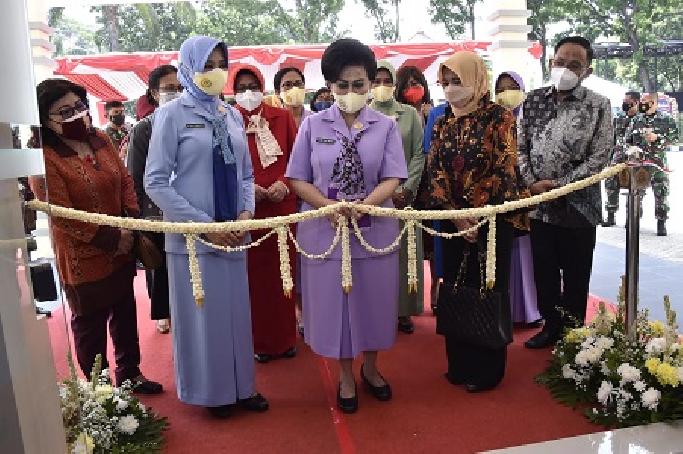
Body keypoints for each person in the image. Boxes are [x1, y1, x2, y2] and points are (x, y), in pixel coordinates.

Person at [144, 36, 268, 418]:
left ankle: (242, 386)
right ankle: (213, 393)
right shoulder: (171, 115)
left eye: (220, 64)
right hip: (193, 241)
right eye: (206, 65)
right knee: (203, 319)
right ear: (188, 68)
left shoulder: (232, 115)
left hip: (234, 233)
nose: (215, 72)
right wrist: (204, 225)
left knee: (236, 314)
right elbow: (155, 182)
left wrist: (245, 214)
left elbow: (246, 175)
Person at [286, 38, 407, 414]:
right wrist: (327, 206)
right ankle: (344, 376)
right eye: (343, 85)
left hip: (374, 231)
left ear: (370, 84)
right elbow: (297, 178)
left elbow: (393, 176)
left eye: (359, 84)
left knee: (373, 302)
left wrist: (365, 205)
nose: (351, 91)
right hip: (325, 233)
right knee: (336, 306)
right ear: (329, 86)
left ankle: (371, 368)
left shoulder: (385, 126)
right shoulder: (312, 126)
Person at [29, 79, 162, 394]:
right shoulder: (43, 157)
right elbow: (62, 214)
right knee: (90, 325)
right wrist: (113, 238)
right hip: (82, 256)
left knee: (125, 313)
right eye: (64, 111)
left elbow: (125, 180)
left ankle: (130, 374)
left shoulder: (100, 139)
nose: (76, 114)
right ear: (45, 119)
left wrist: (130, 224)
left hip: (123, 245)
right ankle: (99, 393)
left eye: (78, 106)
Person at [419, 51, 528, 392]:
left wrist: (477, 214)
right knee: (455, 287)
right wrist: (456, 215)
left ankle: (487, 370)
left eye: (459, 81)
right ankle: (459, 364)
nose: (452, 89)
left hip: (492, 220)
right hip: (452, 221)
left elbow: (505, 169)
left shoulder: (499, 117)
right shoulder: (442, 121)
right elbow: (434, 170)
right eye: (447, 82)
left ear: (476, 81)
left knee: (488, 289)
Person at [518, 36, 613, 349]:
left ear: (587, 71)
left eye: (575, 65)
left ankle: (573, 334)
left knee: (576, 273)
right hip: (540, 206)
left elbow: (600, 156)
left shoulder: (598, 105)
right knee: (544, 272)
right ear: (551, 62)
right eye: (561, 62)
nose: (566, 69)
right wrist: (532, 184)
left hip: (580, 208)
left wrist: (563, 186)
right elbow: (520, 148)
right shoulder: (532, 101)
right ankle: (550, 326)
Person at [230, 64, 299, 363]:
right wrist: (247, 189)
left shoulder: (282, 117)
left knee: (284, 275)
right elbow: (225, 166)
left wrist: (284, 183)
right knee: (253, 281)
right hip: (248, 212)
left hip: (282, 209)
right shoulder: (228, 120)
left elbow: (298, 158)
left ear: (262, 87)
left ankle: (286, 338)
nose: (248, 93)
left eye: (253, 87)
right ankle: (259, 342)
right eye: (241, 88)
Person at [369, 60, 425, 334]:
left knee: (405, 254)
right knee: (376, 255)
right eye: (376, 81)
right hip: (373, 199)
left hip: (404, 198)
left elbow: (419, 153)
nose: (382, 86)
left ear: (395, 84)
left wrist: (406, 189)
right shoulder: (362, 115)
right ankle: (378, 309)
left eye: (387, 81)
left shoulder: (409, 114)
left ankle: (404, 311)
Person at [126, 64, 183, 334]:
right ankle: (163, 313)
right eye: (170, 88)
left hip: (187, 207)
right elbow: (134, 178)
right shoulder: (143, 129)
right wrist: (141, 219)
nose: (177, 93)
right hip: (155, 211)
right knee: (159, 268)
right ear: (154, 93)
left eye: (181, 88)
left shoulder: (190, 122)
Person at [494, 71, 542, 327]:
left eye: (512, 87)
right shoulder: (492, 120)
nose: (506, 93)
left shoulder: (532, 120)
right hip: (501, 199)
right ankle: (507, 311)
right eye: (500, 89)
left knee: (527, 254)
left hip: (528, 196)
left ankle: (531, 310)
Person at [623, 93, 678, 236]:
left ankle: (661, 222)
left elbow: (675, 138)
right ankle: (633, 219)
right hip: (639, 164)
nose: (642, 104)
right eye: (641, 101)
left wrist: (658, 138)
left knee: (661, 193)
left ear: (654, 103)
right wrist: (630, 149)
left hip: (658, 163)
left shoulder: (666, 119)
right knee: (636, 193)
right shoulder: (636, 119)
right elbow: (627, 139)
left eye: (645, 101)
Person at [422, 98, 448, 315]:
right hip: (443, 196)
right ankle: (440, 289)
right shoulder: (438, 114)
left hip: (480, 201)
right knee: (441, 248)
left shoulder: (493, 115)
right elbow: (429, 154)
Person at [603, 91, 640, 228]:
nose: (624, 103)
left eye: (626, 101)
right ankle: (610, 215)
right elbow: (612, 138)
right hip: (617, 156)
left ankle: (631, 217)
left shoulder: (642, 119)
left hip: (634, 158)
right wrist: (609, 157)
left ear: (635, 102)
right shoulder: (618, 118)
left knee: (634, 186)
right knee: (610, 183)